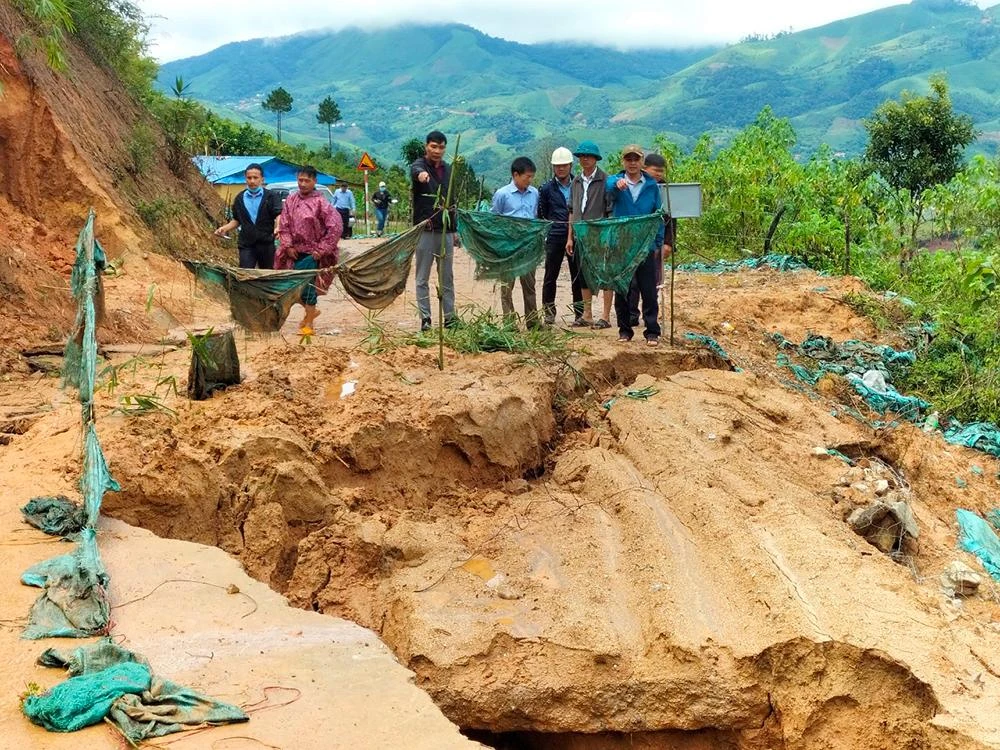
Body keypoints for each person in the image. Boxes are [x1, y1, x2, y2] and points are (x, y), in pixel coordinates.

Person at [606, 144, 664, 346]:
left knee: (649, 289)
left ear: (642, 162)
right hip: (623, 245)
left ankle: (652, 331)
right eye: (628, 159)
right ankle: (624, 330)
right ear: (623, 162)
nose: (632, 163)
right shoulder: (617, 182)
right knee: (622, 289)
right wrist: (616, 183)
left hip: (645, 245)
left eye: (636, 159)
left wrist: (658, 242)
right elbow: (608, 187)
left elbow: (659, 215)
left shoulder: (651, 186)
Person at [274, 166, 343, 335]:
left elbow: (335, 227)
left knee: (308, 286)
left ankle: (309, 324)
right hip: (293, 251)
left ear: (315, 181)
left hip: (312, 253)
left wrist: (321, 249)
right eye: (300, 180)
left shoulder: (321, 203)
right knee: (292, 286)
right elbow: (284, 224)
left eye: (307, 180)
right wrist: (288, 245)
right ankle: (310, 312)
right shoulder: (291, 200)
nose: (303, 184)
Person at [411, 130, 457, 331]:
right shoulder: (419, 165)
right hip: (426, 230)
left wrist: (454, 230)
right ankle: (426, 319)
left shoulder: (449, 170)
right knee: (422, 276)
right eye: (433, 146)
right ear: (426, 147)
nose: (437, 151)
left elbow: (452, 200)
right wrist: (422, 176)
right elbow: (417, 172)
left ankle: (449, 317)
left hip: (445, 230)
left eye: (441, 147)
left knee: (446, 277)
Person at [566, 140, 613, 329]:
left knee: (605, 276)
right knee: (583, 275)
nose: (585, 159)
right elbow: (571, 210)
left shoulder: (606, 181)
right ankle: (587, 314)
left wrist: (608, 236)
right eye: (582, 156)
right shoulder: (575, 182)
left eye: (588, 156)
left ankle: (606, 316)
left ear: (596, 159)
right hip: (579, 236)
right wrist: (570, 237)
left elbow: (610, 211)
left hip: (600, 235)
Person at [627, 152, 677, 326]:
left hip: (655, 242)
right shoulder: (632, 184)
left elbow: (672, 218)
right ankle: (631, 315)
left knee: (653, 282)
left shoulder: (665, 189)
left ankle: (650, 318)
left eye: (661, 171)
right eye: (655, 170)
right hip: (633, 241)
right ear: (644, 167)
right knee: (631, 282)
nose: (658, 174)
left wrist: (669, 243)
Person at [491, 156, 540, 328]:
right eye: (527, 176)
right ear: (516, 175)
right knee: (507, 287)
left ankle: (533, 322)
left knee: (529, 286)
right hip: (508, 247)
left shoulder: (534, 193)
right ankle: (509, 323)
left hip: (528, 246)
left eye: (532, 177)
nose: (530, 180)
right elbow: (494, 220)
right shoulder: (502, 194)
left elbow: (534, 216)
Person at [538, 147, 582, 326]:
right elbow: (542, 213)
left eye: (564, 165)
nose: (561, 169)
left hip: (577, 234)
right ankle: (549, 312)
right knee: (550, 276)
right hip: (555, 235)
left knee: (577, 275)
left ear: (571, 165)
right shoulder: (546, 189)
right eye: (557, 166)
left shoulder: (578, 185)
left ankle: (580, 313)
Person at [213, 163, 282, 269]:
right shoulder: (239, 199)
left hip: (266, 243)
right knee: (245, 273)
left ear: (262, 179)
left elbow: (278, 214)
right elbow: (237, 220)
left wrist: (278, 227)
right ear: (245, 179)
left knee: (267, 274)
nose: (252, 181)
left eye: (255, 178)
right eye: (249, 178)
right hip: (247, 244)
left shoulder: (271, 197)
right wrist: (224, 228)